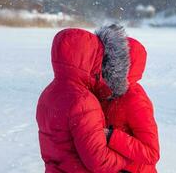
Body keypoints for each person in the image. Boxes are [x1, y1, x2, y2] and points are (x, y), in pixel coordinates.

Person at [36, 28, 132, 173]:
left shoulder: (48, 94)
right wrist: (125, 159)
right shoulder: (83, 101)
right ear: (88, 59)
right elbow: (99, 161)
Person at [95, 25, 160, 173]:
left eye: (107, 61)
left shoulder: (135, 100)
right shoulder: (105, 94)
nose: (102, 66)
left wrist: (111, 136)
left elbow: (151, 153)